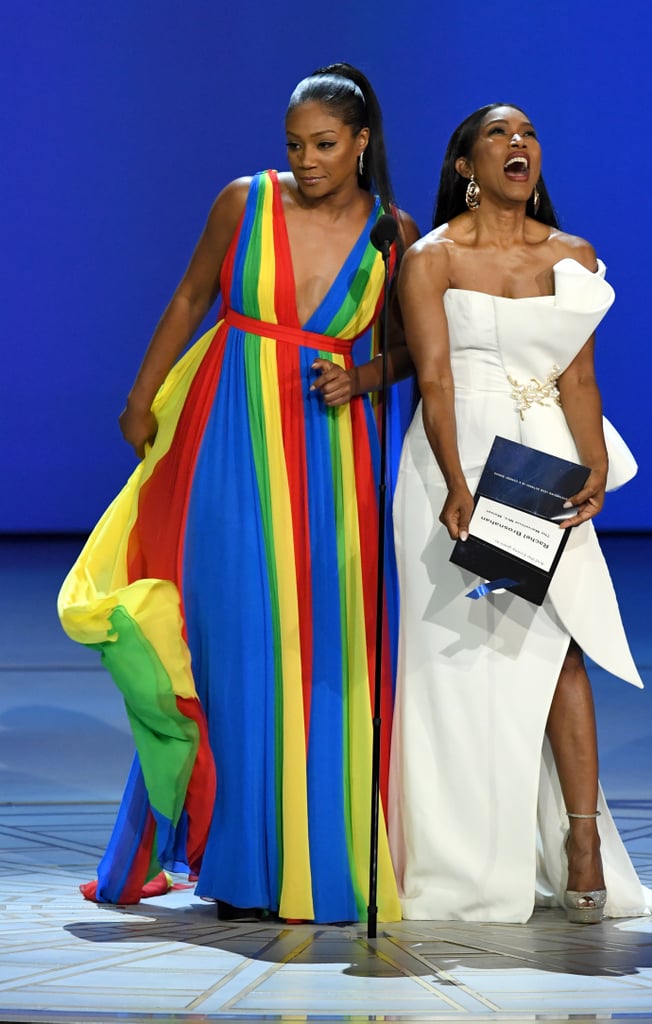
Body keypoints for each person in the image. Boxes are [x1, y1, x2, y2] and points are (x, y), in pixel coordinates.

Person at [58, 63, 418, 925]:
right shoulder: (244, 200)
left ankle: (304, 853)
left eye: (325, 145)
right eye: (295, 144)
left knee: (319, 649)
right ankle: (230, 852)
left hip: (332, 458)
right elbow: (189, 299)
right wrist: (141, 397)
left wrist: (366, 373)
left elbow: (412, 352)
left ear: (362, 142)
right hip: (225, 436)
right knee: (230, 637)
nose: (307, 160)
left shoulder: (393, 234)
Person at [388, 103, 652, 923]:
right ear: (466, 164)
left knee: (557, 647)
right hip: (452, 468)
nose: (519, 145)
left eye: (530, 134)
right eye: (500, 136)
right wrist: (456, 483)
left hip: (538, 466)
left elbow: (578, 378)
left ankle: (581, 843)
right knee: (454, 661)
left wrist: (596, 460)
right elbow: (431, 380)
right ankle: (460, 860)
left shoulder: (573, 256)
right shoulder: (430, 259)